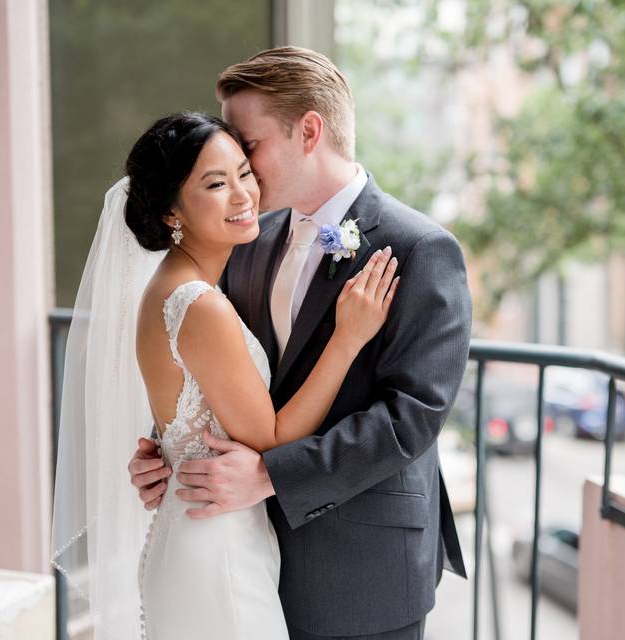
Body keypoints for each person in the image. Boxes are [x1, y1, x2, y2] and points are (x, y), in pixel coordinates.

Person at [127, 47, 472, 639]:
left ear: (308, 131)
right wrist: (167, 450)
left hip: (360, 570)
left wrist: (272, 475)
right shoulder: (245, 238)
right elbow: (210, 372)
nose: (239, 163)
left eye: (248, 144)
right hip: (243, 552)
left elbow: (411, 420)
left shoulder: (421, 249)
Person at [51, 111, 399, 640]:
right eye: (216, 183)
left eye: (243, 172)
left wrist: (164, 448)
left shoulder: (175, 285)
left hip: (199, 529)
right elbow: (273, 438)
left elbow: (185, 402)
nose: (243, 195)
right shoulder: (199, 304)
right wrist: (347, 338)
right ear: (173, 211)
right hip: (216, 549)